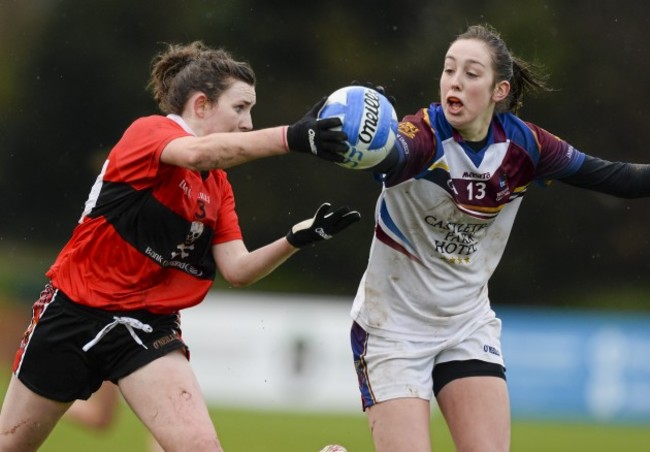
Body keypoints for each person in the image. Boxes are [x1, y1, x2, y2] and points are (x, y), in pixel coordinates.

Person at [0, 41, 360, 452]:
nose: (247, 123)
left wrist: (298, 238)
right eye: (240, 108)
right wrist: (291, 137)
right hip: (74, 310)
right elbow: (198, 153)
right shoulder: (151, 132)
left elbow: (238, 269)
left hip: (146, 328)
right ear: (201, 105)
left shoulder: (218, 187)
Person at [329, 24, 650, 452]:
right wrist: (344, 137)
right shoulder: (421, 134)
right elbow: (393, 152)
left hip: (465, 324)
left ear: (499, 89)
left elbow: (618, 179)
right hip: (393, 329)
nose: (454, 81)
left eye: (470, 72)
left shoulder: (527, 146)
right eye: (448, 70)